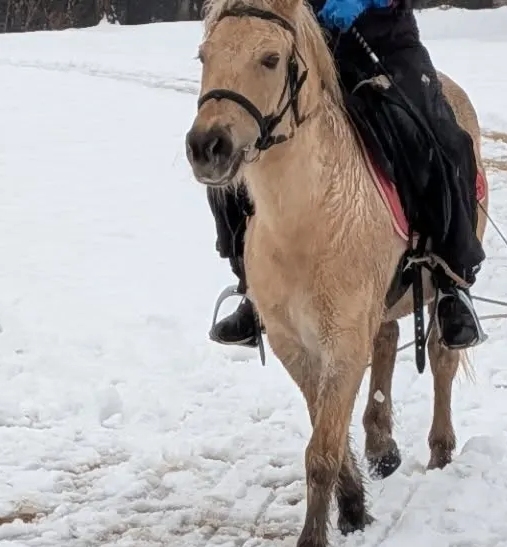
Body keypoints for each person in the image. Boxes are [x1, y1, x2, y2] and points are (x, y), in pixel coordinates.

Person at [206, 0, 488, 352]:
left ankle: (451, 280)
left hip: (387, 47)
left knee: (442, 142)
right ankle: (251, 286)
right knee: (244, 147)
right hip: (304, 53)